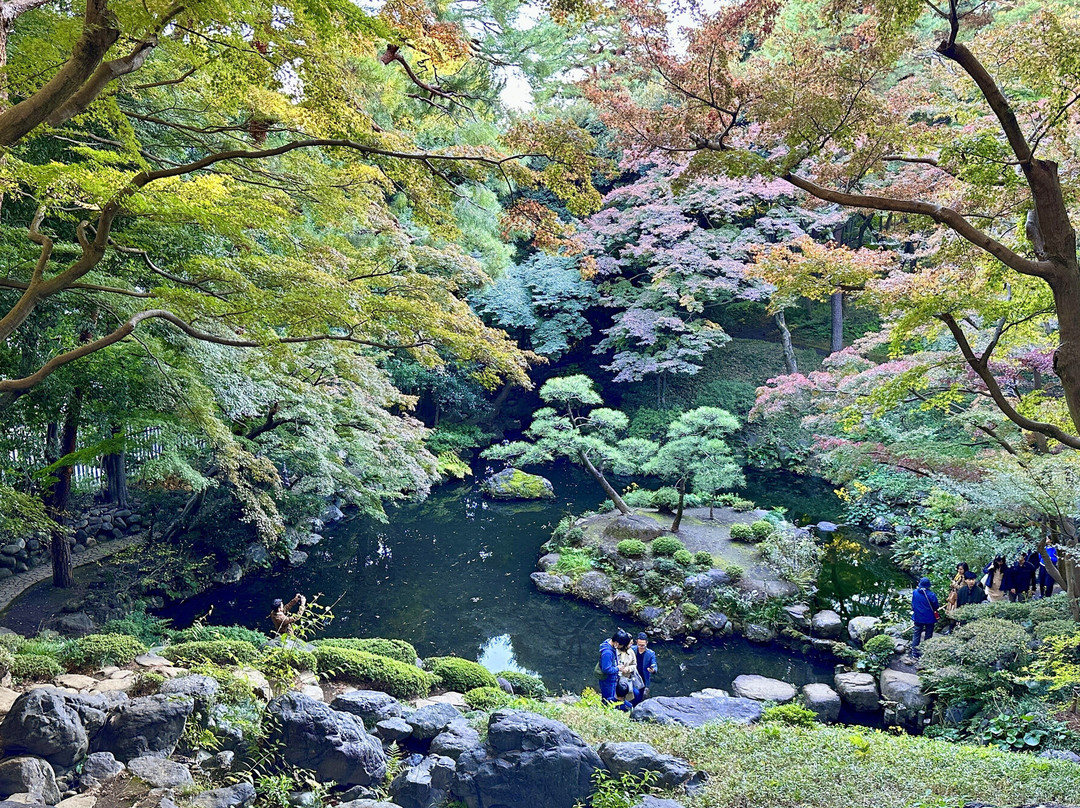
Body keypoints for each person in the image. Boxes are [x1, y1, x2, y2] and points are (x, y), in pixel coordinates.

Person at [598, 629, 631, 703]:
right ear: (616, 643)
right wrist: (617, 668)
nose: (621, 647)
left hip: (611, 678)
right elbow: (606, 669)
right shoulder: (607, 653)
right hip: (607, 680)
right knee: (608, 700)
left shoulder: (609, 643)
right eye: (622, 645)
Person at [910, 577, 939, 659]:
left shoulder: (915, 592)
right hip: (929, 618)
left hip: (918, 617)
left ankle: (914, 652)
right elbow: (936, 606)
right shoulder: (931, 595)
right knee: (928, 634)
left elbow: (913, 604)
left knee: (916, 634)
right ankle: (925, 651)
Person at [632, 632, 657, 704]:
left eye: (643, 645)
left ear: (647, 643)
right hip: (632, 674)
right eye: (639, 645)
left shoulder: (650, 653)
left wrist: (653, 670)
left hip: (643, 677)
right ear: (636, 642)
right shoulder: (632, 649)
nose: (641, 647)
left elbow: (654, 664)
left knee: (640, 695)